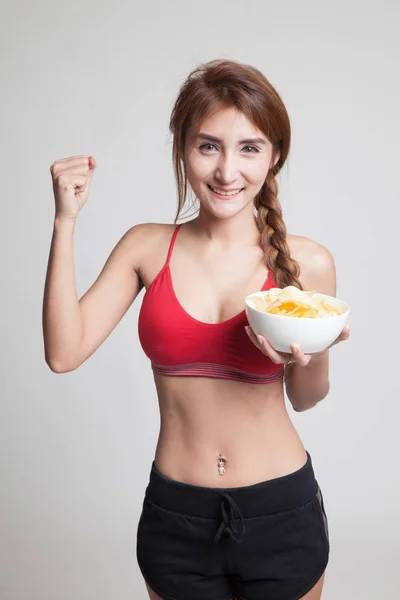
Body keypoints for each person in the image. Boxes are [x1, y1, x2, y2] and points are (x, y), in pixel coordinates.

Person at [43, 58, 350, 600]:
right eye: (208, 146)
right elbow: (64, 353)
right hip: (176, 513)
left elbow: (306, 398)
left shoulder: (308, 262)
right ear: (182, 149)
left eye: (249, 148)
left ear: (274, 156)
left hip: (280, 508)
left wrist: (313, 355)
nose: (227, 171)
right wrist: (65, 221)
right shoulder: (145, 246)